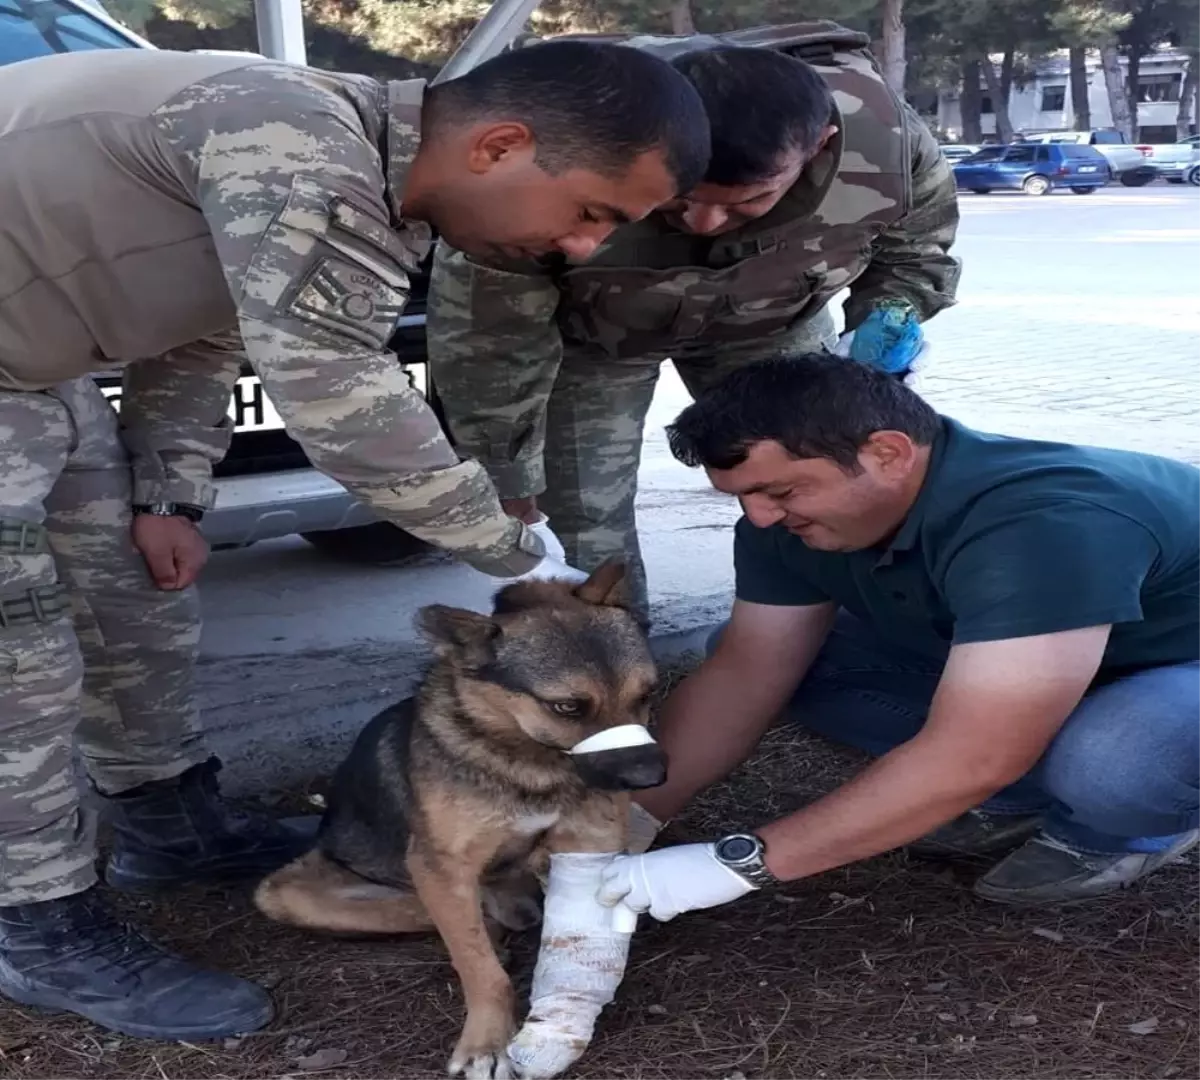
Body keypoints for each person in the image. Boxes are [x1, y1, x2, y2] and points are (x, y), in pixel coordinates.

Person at [0, 41, 710, 1041]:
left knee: (134, 602)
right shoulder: (296, 145)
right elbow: (337, 392)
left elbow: (211, 324)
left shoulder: (360, 170)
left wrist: (167, 487)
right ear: (501, 146)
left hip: (34, 362)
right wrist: (511, 554)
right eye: (593, 211)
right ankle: (39, 926)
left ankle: (168, 826)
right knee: (18, 655)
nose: (585, 248)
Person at [597, 353, 1200, 925]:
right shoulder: (786, 524)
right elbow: (745, 673)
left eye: (781, 492)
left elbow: (975, 751)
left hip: (1180, 663)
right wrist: (623, 821)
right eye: (743, 497)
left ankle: (1119, 828)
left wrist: (734, 864)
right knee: (788, 657)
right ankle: (1019, 796)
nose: (759, 518)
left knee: (1116, 761)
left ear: (888, 453)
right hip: (1067, 661)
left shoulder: (1042, 522)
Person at [426, 31, 962, 619]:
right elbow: (491, 339)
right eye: (681, 200)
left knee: (823, 480)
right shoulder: (567, 157)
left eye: (745, 202)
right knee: (580, 517)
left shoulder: (887, 143)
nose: (706, 223)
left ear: (819, 148)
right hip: (590, 341)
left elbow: (916, 252)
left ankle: (849, 631)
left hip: (772, 326)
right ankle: (610, 679)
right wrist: (508, 475)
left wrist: (882, 336)